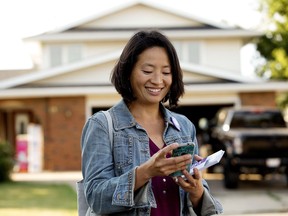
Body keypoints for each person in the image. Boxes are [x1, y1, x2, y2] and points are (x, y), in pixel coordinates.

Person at [81, 30, 223, 216]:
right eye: (147, 71)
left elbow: (199, 204)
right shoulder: (101, 125)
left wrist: (196, 191)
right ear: (128, 71)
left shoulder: (184, 126)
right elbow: (96, 198)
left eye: (166, 72)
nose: (157, 80)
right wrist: (146, 172)